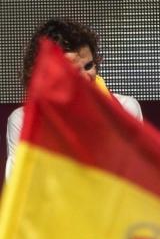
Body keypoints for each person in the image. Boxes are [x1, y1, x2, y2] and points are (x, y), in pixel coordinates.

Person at [7, 19, 142, 178]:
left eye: (88, 66)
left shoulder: (125, 109)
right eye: (73, 72)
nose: (85, 78)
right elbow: (19, 186)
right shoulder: (23, 120)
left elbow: (136, 181)